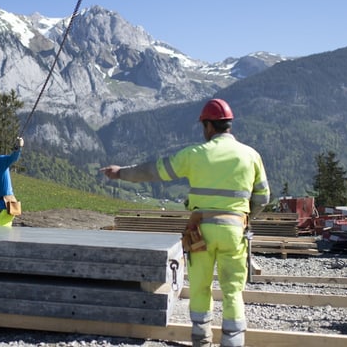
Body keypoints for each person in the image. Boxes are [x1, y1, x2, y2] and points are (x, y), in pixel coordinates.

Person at [100, 98, 270, 347]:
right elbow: (263, 197)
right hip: (235, 231)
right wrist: (244, 219)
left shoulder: (195, 155)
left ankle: (201, 339)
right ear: (229, 126)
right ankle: (232, 342)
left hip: (201, 231)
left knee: (200, 285)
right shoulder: (251, 155)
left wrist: (120, 172)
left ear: (209, 126)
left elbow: (153, 171)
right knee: (233, 288)